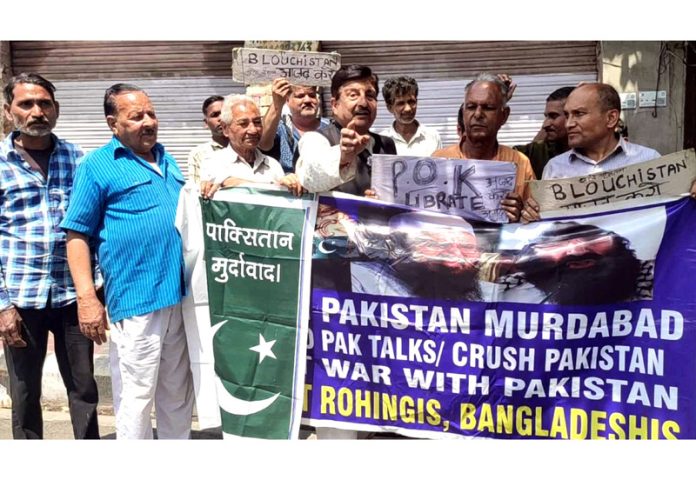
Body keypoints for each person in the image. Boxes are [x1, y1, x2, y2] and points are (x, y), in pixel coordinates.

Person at [61, 83, 194, 439]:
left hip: (178, 297)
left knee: (177, 395)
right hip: (136, 300)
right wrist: (88, 299)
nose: (149, 122)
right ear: (112, 123)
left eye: (151, 113)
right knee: (136, 397)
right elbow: (76, 235)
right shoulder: (98, 165)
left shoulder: (165, 157)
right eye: (136, 116)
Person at [0, 73, 101, 439]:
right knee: (25, 390)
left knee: (84, 386)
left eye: (44, 103)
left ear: (56, 109)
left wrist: (96, 288)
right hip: (21, 297)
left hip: (74, 294)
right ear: (9, 110)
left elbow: (96, 223)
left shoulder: (79, 159)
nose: (37, 111)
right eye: (26, 104)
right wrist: (2, 305)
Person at [522, 83, 661, 222]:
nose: (568, 124)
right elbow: (549, 227)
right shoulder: (555, 168)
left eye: (579, 114)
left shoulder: (648, 161)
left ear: (611, 118)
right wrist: (532, 216)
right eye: (566, 115)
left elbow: (665, 217)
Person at [432, 73, 534, 222]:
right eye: (471, 107)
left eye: (488, 108)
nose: (478, 114)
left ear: (504, 116)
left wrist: (521, 216)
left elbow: (534, 219)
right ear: (464, 112)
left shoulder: (521, 163)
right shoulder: (438, 160)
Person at [295, 64, 397, 195]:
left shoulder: (386, 144)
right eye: (353, 95)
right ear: (335, 105)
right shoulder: (315, 140)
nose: (363, 103)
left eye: (370, 95)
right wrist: (342, 158)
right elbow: (310, 177)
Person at [500, 221, 643, 305]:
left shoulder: (658, 279)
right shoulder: (505, 296)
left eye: (591, 236)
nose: (577, 250)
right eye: (555, 241)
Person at [199, 94, 304, 199]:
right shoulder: (212, 163)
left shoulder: (272, 165)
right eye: (243, 124)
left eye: (257, 122)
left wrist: (289, 184)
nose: (253, 130)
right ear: (226, 129)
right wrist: (272, 187)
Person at [258, 78, 329, 173]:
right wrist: (277, 103)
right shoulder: (280, 128)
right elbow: (263, 143)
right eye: (300, 96)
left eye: (312, 95)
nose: (307, 100)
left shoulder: (330, 128)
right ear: (287, 100)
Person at [513, 86, 575, 179]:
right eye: (546, 116)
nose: (545, 124)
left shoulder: (596, 152)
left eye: (553, 116)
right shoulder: (536, 153)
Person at [379, 76, 442, 156]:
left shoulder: (433, 137)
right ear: (389, 108)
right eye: (401, 103)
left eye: (411, 102)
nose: (408, 109)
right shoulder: (381, 141)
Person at [186, 95, 228, 185]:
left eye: (224, 113)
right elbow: (195, 190)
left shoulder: (244, 148)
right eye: (215, 115)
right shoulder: (199, 154)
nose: (221, 118)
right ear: (206, 123)